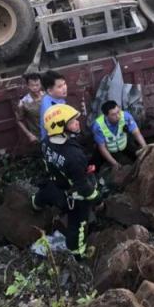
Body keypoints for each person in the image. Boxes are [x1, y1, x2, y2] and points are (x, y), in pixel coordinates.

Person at [32, 104, 99, 259]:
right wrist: (97, 198)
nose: (77, 123)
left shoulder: (46, 142)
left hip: (53, 184)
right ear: (60, 127)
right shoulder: (74, 156)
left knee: (43, 195)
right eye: (72, 122)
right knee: (78, 224)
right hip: (70, 196)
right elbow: (83, 188)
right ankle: (78, 254)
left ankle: (35, 204)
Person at [91, 100, 147, 172]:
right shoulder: (98, 126)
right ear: (106, 116)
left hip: (123, 143)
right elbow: (102, 148)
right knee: (93, 167)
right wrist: (115, 164)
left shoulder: (126, 116)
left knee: (140, 158)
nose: (118, 116)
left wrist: (145, 148)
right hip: (108, 148)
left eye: (118, 112)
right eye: (113, 114)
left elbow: (137, 133)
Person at [16, 73, 44, 144]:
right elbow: (19, 120)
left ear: (41, 85)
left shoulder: (47, 96)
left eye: (37, 85)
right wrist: (29, 135)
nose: (35, 88)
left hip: (54, 132)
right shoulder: (23, 102)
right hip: (39, 137)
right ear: (28, 86)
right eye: (32, 85)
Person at [39, 70, 68, 139]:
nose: (64, 88)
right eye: (59, 86)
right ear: (50, 91)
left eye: (64, 84)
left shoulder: (55, 97)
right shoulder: (50, 109)